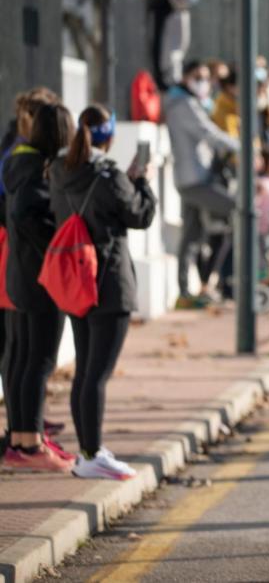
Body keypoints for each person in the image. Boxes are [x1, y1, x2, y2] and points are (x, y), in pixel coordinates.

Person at [49, 105, 157, 479]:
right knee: (97, 374)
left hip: (75, 283)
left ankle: (86, 451)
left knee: (85, 371)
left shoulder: (59, 171)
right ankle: (93, 453)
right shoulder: (109, 175)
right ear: (108, 137)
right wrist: (142, 180)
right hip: (109, 284)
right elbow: (140, 216)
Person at [2, 102, 76, 472]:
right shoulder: (36, 171)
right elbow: (25, 214)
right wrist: (54, 246)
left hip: (21, 276)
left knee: (23, 359)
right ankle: (29, 446)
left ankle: (22, 438)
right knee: (38, 360)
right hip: (39, 281)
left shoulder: (18, 163)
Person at [163, 59, 239, 308]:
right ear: (185, 77)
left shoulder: (188, 102)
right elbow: (208, 133)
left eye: (207, 77)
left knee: (192, 234)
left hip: (192, 178)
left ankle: (188, 291)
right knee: (239, 211)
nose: (204, 82)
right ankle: (220, 282)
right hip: (194, 179)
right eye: (198, 76)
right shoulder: (183, 104)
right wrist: (242, 147)